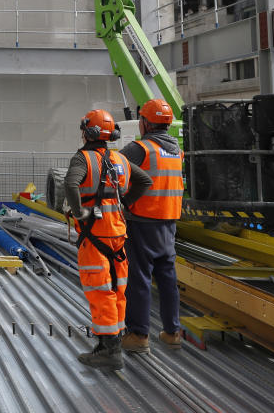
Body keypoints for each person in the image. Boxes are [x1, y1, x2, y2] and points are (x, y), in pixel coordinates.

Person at [64, 109, 151, 370]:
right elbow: (144, 181)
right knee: (117, 290)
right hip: (118, 236)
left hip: (94, 236)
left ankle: (110, 351)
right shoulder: (119, 159)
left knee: (100, 292)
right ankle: (110, 344)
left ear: (87, 133)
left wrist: (80, 212)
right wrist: (124, 203)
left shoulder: (82, 159)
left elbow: (70, 184)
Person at [120, 99, 184, 353]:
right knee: (167, 278)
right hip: (169, 223)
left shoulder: (141, 149)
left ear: (145, 122)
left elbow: (112, 166)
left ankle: (138, 335)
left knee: (139, 279)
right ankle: (172, 332)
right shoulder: (176, 150)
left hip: (143, 222)